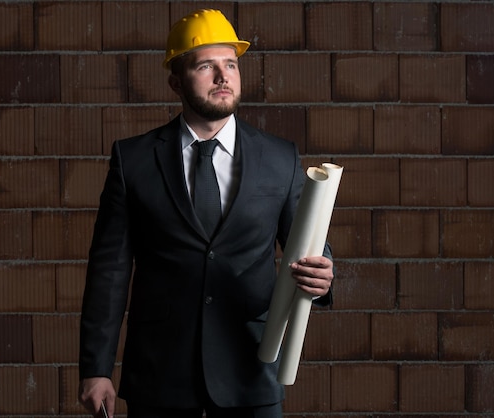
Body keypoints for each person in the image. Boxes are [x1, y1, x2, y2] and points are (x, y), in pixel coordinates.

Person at [77, 9, 334, 418]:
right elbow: (109, 271)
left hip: (251, 373)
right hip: (160, 378)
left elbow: (311, 243)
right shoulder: (134, 160)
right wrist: (96, 368)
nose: (223, 76)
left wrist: (323, 276)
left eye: (230, 64)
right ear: (175, 82)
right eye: (206, 66)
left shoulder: (280, 158)